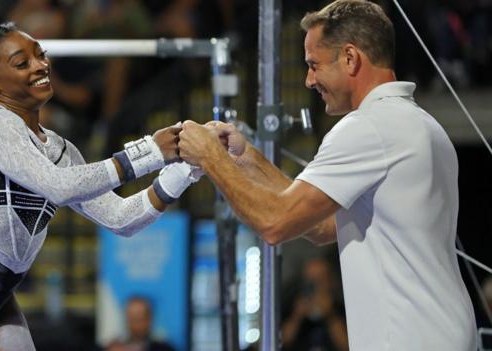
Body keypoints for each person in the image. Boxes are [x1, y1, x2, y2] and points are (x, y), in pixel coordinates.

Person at [178, 0, 477, 350]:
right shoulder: (422, 125)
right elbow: (321, 227)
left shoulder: (368, 128)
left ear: (350, 58)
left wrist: (210, 157)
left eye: (313, 65)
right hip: (440, 333)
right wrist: (247, 159)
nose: (308, 80)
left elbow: (275, 223)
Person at [0, 15, 200, 350]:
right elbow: (58, 186)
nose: (40, 65)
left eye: (40, 54)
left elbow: (121, 218)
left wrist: (185, 170)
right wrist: (149, 153)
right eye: (22, 63)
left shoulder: (61, 150)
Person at [280, 258, 347, 351]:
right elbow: (281, 342)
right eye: (311, 281)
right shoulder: (290, 308)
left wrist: (330, 314)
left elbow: (347, 345)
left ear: (331, 281)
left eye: (321, 279)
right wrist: (297, 317)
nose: (316, 286)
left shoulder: (343, 309)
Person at [105, 296, 175, 351]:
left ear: (149, 319)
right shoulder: (113, 347)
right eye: (131, 318)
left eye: (138, 318)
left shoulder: (164, 349)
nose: (134, 324)